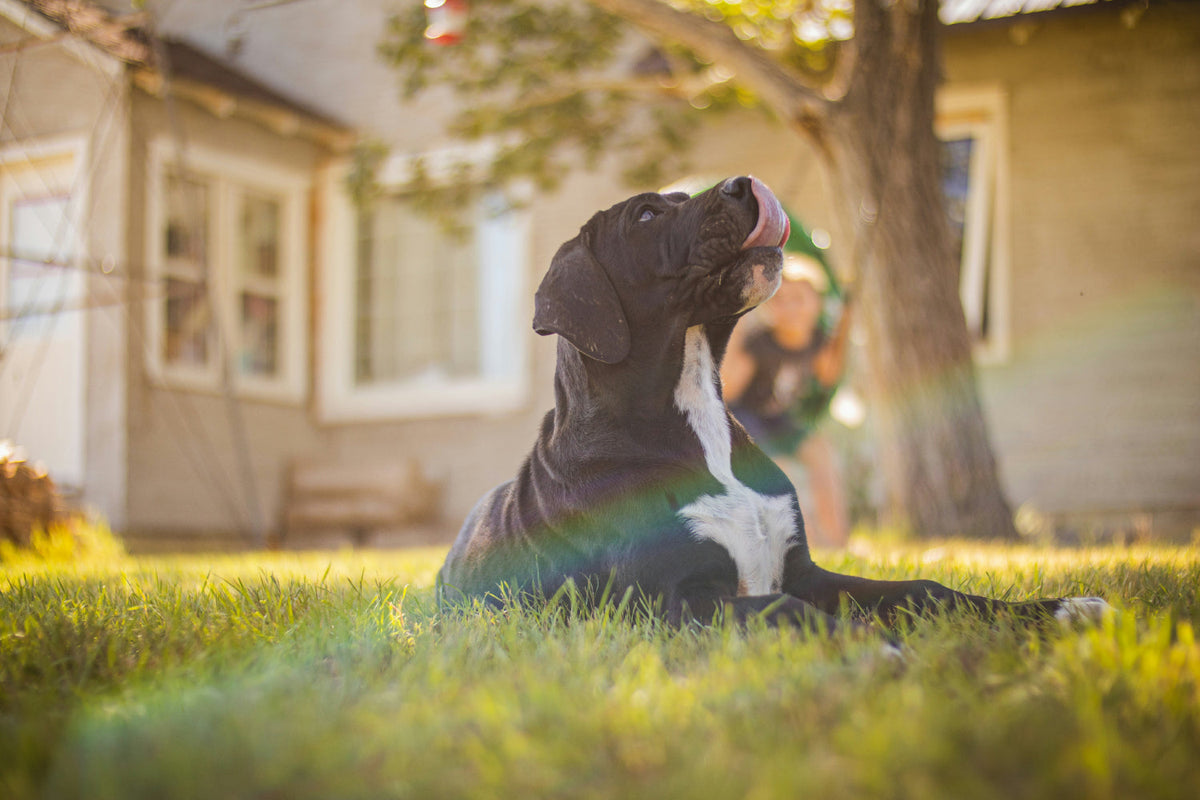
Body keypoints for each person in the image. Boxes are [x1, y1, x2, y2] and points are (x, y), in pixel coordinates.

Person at [721, 244, 853, 548]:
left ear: (818, 304)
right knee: (783, 470)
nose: (790, 308)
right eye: (780, 300)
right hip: (748, 418)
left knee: (822, 456)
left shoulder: (819, 340)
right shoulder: (759, 344)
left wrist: (846, 322)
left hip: (781, 418)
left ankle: (836, 541)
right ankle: (805, 544)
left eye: (798, 299)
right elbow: (729, 390)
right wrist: (737, 323)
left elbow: (828, 374)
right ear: (767, 306)